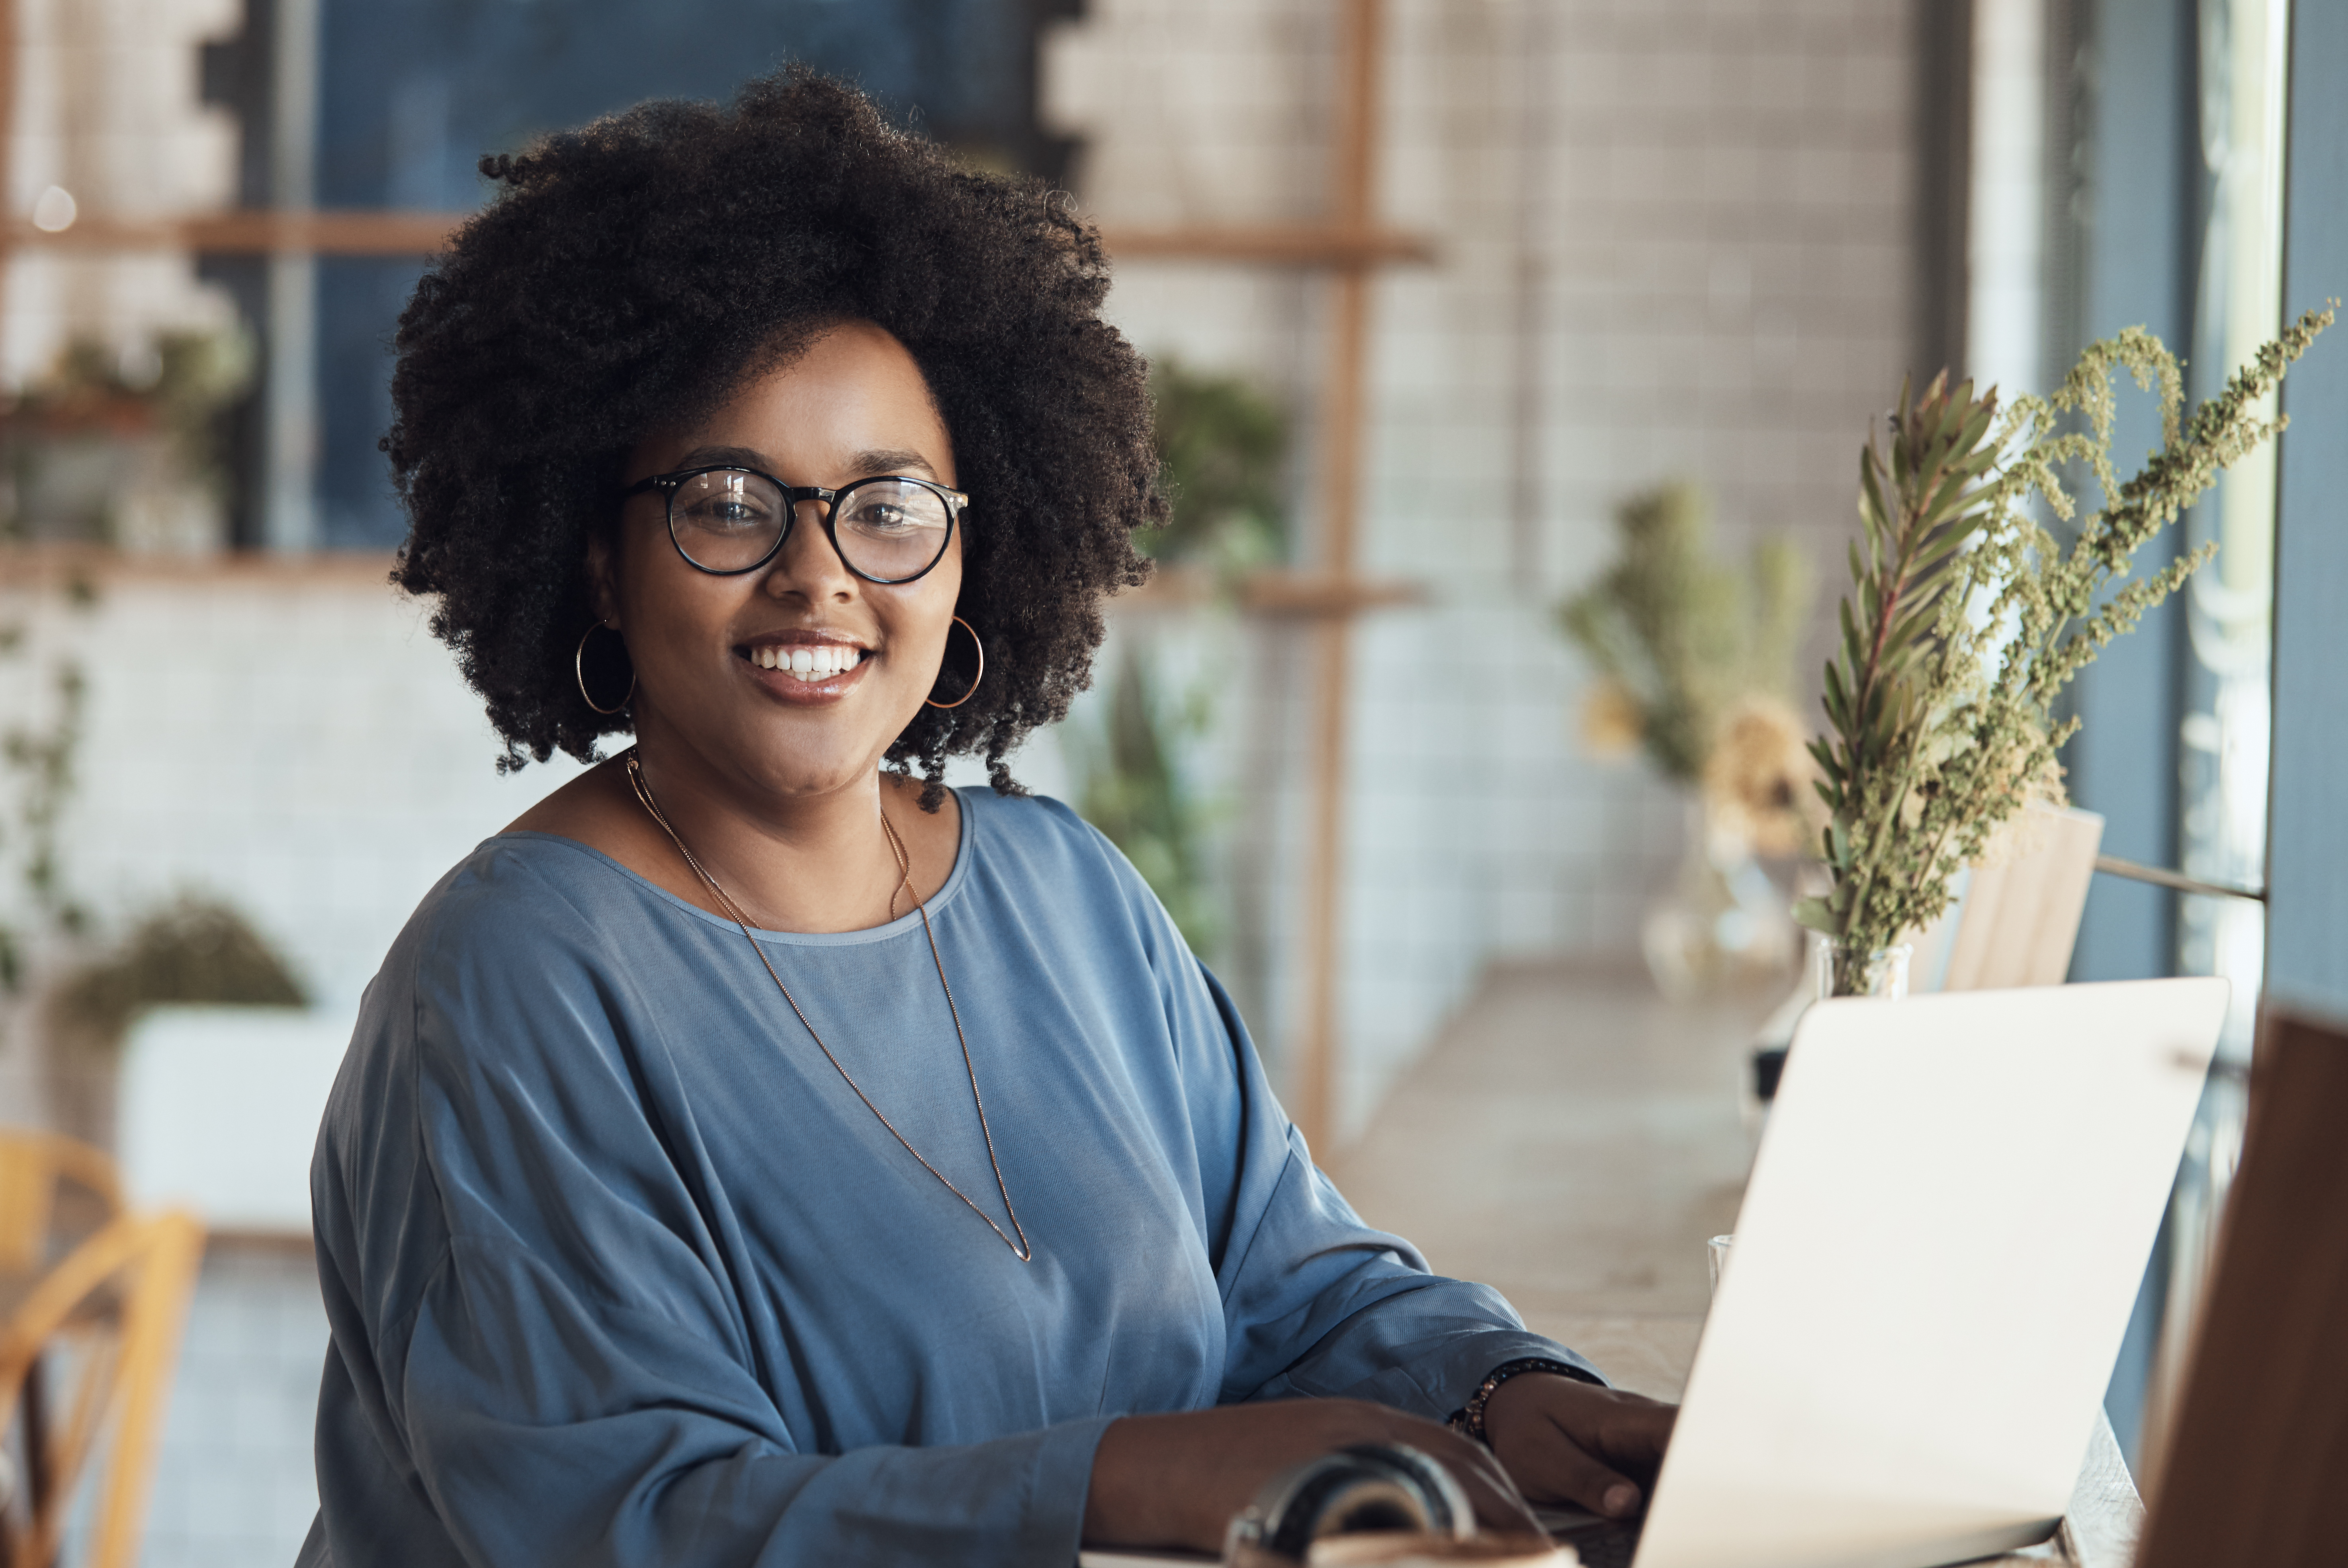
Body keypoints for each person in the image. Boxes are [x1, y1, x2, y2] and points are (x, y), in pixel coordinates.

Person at [300, 68, 1674, 1568]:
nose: (818, 577)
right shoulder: (511, 982)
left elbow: (1293, 1279)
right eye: (728, 501)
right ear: (602, 562)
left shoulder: (1066, 895)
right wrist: (1127, 1481)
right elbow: (624, 1521)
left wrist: (1501, 1391)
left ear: (974, 555)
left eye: (887, 508)